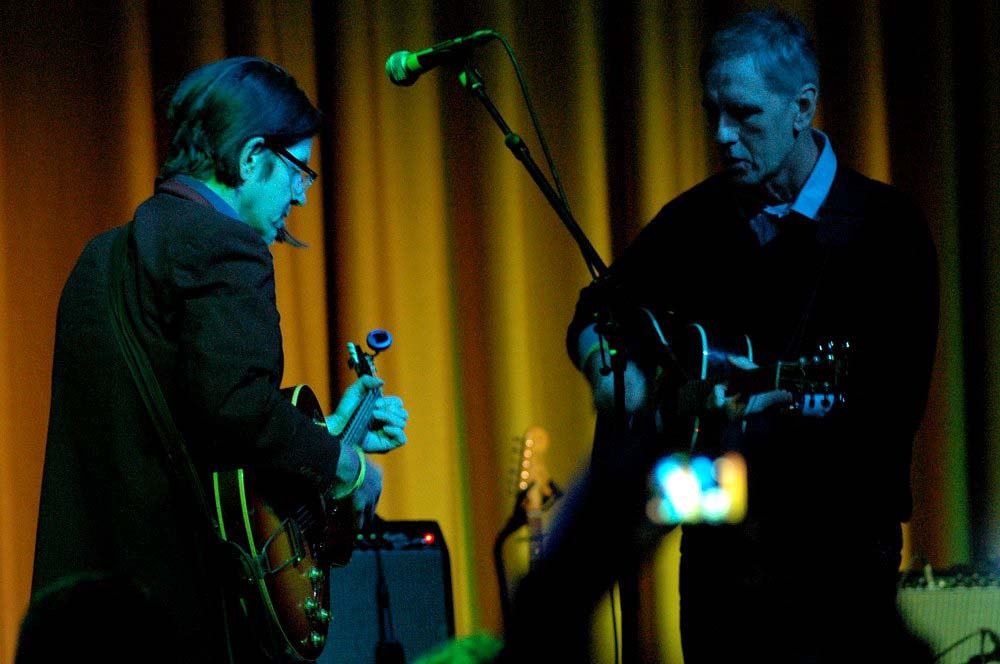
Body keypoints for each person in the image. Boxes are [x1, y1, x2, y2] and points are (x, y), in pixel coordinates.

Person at [565, 9, 938, 662]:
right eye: (713, 112)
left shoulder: (886, 230)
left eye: (743, 115)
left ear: (802, 108)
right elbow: (598, 308)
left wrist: (773, 439)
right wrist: (608, 373)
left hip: (837, 560)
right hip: (716, 560)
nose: (721, 135)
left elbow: (889, 420)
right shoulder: (694, 221)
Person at [30, 57, 409, 663]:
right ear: (253, 156)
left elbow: (187, 431)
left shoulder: (98, 259)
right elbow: (238, 412)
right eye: (298, 170)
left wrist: (321, 433)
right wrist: (348, 465)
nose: (301, 195)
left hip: (86, 614)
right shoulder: (225, 247)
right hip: (179, 616)